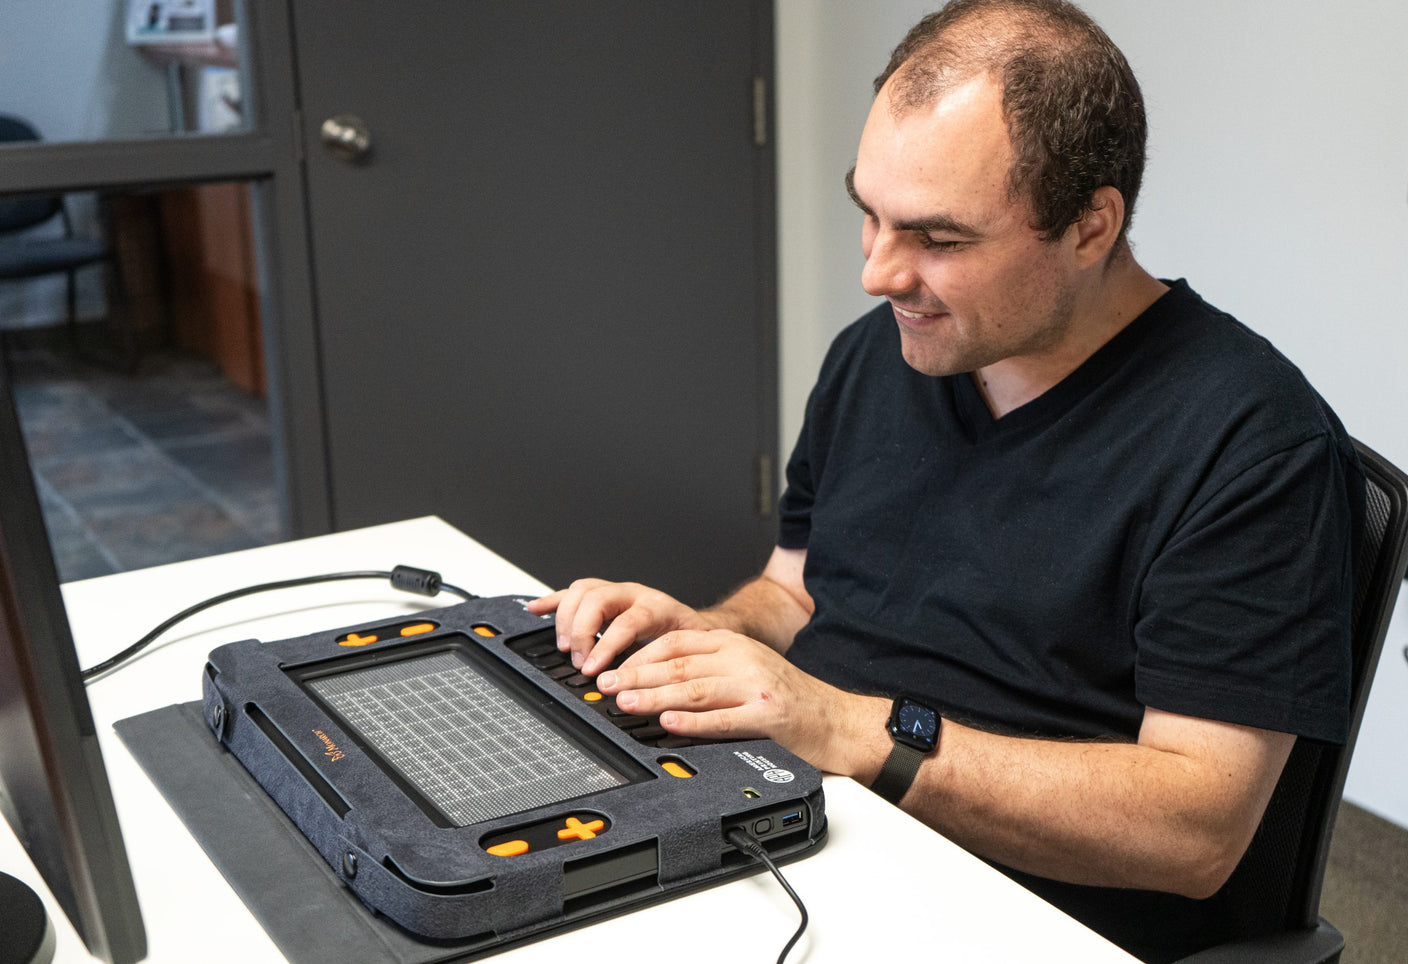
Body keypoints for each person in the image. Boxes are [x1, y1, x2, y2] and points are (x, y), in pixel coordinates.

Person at [528, 1, 1363, 960]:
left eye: (939, 239)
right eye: (868, 216)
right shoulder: (881, 355)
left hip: (1024, 915)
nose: (879, 274)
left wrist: (851, 729)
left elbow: (1196, 831)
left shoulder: (1252, 446)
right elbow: (795, 589)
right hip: (810, 830)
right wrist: (701, 640)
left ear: (1090, 226)